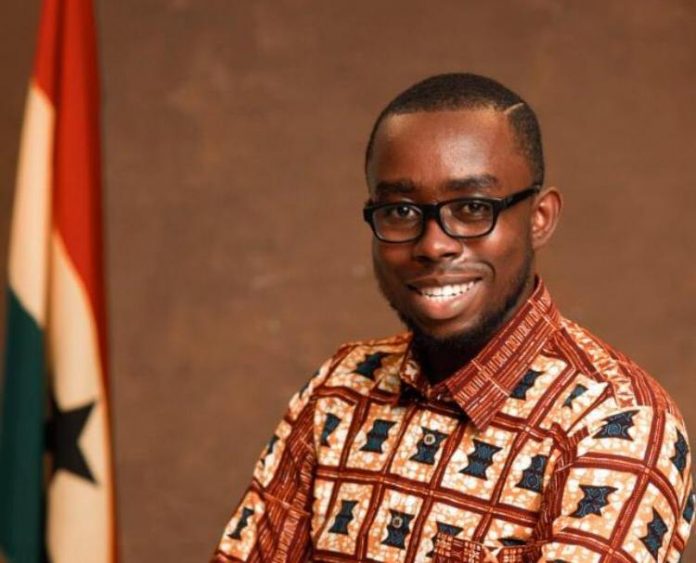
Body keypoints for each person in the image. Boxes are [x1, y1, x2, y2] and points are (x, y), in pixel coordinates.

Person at [210, 73, 694, 562]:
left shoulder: (616, 423)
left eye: (472, 207)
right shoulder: (342, 386)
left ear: (540, 218)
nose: (434, 244)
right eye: (401, 211)